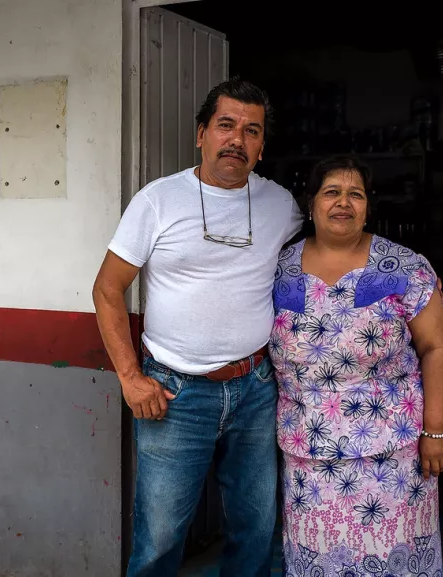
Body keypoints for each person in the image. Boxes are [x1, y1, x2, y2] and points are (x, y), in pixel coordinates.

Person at [92, 78, 303, 577]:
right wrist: (129, 376)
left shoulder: (282, 205)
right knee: (161, 537)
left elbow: (329, 248)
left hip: (255, 388)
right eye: (226, 125)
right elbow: (106, 289)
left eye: (252, 131)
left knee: (254, 530)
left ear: (262, 146)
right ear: (201, 134)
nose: (237, 139)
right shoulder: (158, 201)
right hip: (173, 393)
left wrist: (402, 271)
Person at [271, 155, 443, 575]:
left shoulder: (403, 267)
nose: (343, 203)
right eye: (331, 192)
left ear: (368, 205)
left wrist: (437, 430)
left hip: (394, 454)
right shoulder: (278, 268)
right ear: (311, 203)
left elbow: (437, 348)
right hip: (308, 458)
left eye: (355, 194)